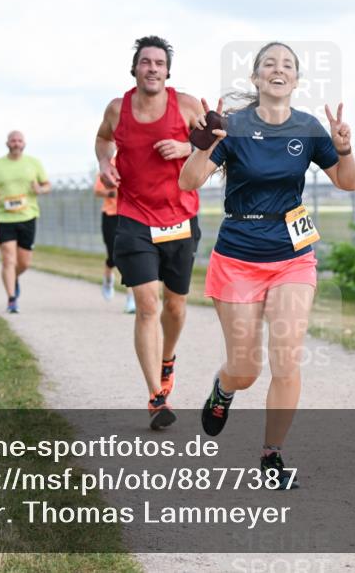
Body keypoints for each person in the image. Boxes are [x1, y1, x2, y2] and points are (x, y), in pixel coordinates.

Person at [179, 41, 355, 489]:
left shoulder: (309, 127)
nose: (278, 71)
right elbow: (189, 181)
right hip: (238, 256)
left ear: (296, 81)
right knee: (246, 369)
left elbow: (346, 182)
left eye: (287, 66)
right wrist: (203, 146)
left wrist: (345, 149)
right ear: (256, 79)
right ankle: (223, 389)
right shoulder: (233, 127)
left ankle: (271, 455)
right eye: (269, 65)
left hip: (292, 257)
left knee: (287, 357)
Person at [95, 35, 205, 430]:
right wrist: (105, 164)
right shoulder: (116, 108)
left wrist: (186, 148)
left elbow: (216, 144)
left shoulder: (188, 105)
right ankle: (157, 398)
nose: (153, 68)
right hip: (134, 217)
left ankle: (168, 358)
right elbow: (102, 139)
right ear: (135, 69)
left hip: (179, 218)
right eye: (146, 62)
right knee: (147, 306)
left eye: (159, 62)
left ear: (167, 71)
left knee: (175, 307)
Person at [0, 131, 50, 314]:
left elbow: (47, 185)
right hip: (5, 217)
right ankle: (12, 299)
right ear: (7, 143)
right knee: (8, 259)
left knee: (24, 262)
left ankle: (13, 278)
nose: (16, 143)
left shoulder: (33, 163)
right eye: (13, 140)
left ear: (24, 143)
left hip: (28, 216)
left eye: (19, 140)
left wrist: (39, 189)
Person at [94, 158, 136, 313]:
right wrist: (111, 191)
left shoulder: (137, 160)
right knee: (113, 256)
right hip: (111, 215)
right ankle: (108, 280)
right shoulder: (110, 163)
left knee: (131, 256)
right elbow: (97, 190)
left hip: (130, 214)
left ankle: (131, 299)